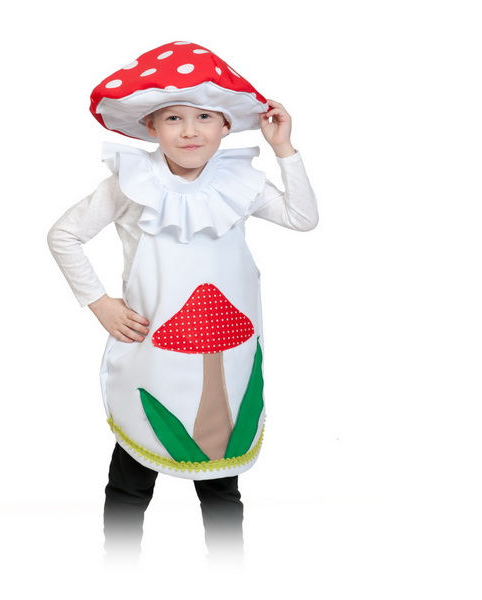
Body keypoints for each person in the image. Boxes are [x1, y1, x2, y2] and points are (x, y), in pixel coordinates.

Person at [47, 41, 318, 560]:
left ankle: (227, 574)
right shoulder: (129, 185)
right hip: (152, 353)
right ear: (151, 126)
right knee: (131, 479)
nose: (190, 131)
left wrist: (284, 149)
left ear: (226, 125)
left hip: (227, 357)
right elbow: (64, 235)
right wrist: (99, 302)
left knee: (220, 482)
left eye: (204, 117)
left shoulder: (239, 182)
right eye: (174, 117)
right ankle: (118, 570)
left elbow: (302, 218)